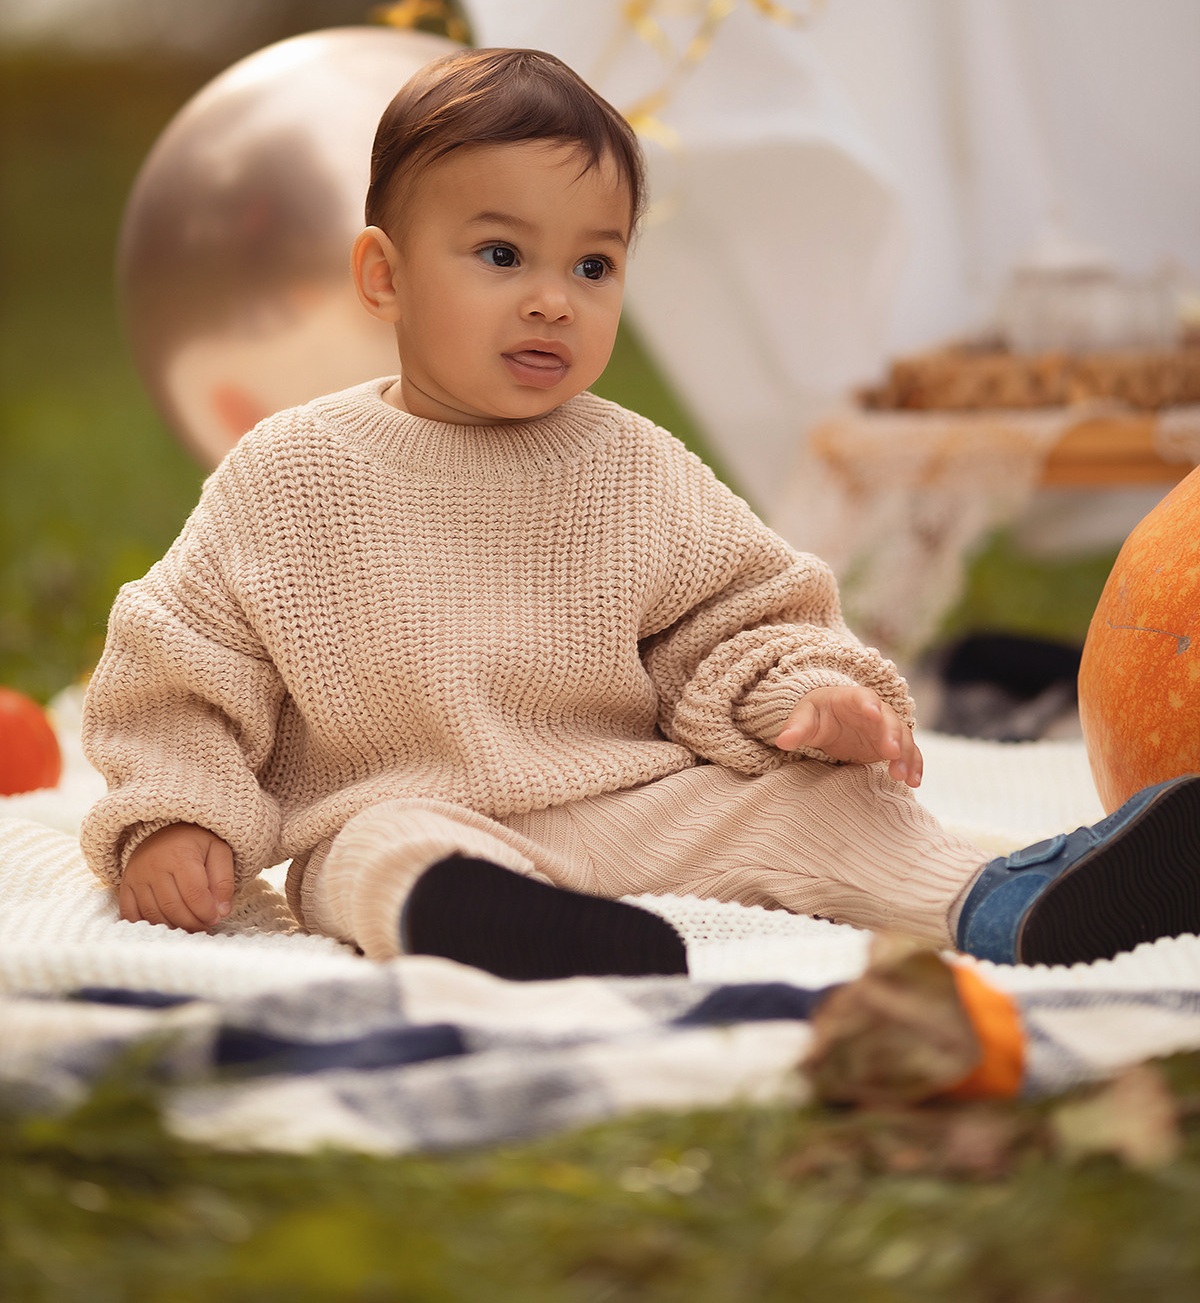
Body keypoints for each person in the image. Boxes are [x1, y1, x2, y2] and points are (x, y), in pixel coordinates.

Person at [81, 48, 1200, 979]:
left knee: (814, 809)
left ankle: (1014, 901)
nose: (551, 297)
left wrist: (810, 694)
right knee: (369, 860)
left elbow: (743, 614)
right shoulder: (290, 473)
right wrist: (175, 816)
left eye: (595, 264)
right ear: (383, 275)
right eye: (501, 253)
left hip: (629, 798)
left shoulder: (630, 467)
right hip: (410, 804)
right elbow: (182, 672)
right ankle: (509, 932)